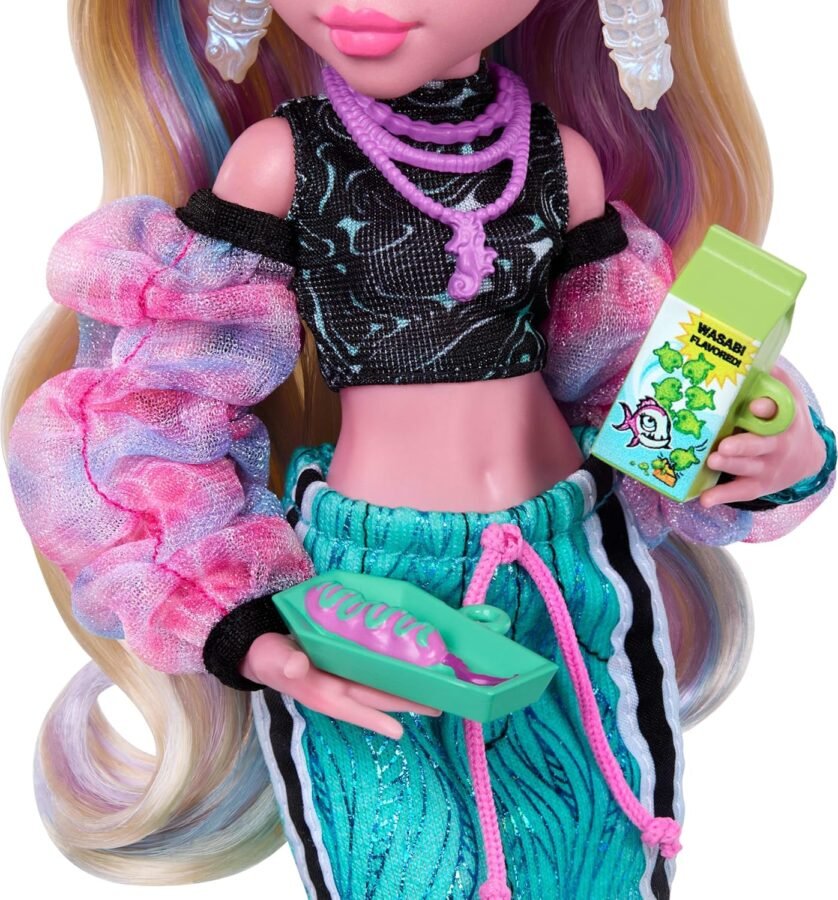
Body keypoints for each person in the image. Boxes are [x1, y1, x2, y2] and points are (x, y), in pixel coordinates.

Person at [3, 2, 834, 898]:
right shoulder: (285, 162)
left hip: (571, 568)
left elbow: (635, 394)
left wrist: (763, 449)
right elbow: (154, 411)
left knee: (602, 853)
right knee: (399, 865)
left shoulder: (560, 162)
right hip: (369, 594)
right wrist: (245, 629)